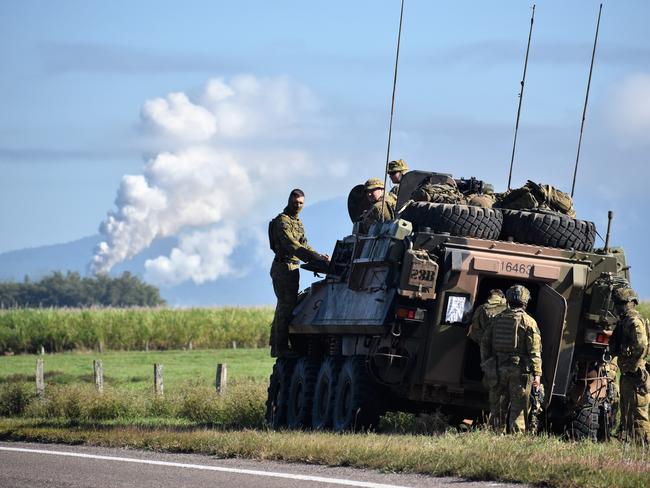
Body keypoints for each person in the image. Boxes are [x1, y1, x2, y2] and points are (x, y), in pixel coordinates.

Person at [268, 189, 329, 357]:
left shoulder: (298, 222)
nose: (298, 206)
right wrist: (311, 258)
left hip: (293, 267)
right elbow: (292, 245)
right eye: (295, 203)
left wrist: (319, 257)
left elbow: (304, 244)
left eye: (301, 203)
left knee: (287, 305)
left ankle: (278, 345)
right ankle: (280, 348)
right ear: (289, 200)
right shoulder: (283, 221)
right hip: (283, 267)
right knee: (285, 307)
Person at [481, 284, 542, 433]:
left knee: (497, 408)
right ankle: (515, 440)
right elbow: (535, 352)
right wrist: (537, 374)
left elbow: (485, 343)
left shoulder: (496, 319)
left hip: (497, 369)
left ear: (508, 300)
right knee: (519, 410)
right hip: (519, 372)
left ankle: (494, 437)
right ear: (526, 302)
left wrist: (487, 364)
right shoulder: (529, 322)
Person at [610, 286, 650, 444]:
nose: (617, 307)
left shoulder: (633, 320)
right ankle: (631, 443)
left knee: (638, 413)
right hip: (629, 373)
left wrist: (632, 364)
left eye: (620, 303)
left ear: (628, 303)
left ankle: (643, 446)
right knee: (627, 412)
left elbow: (641, 345)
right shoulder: (625, 321)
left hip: (635, 374)